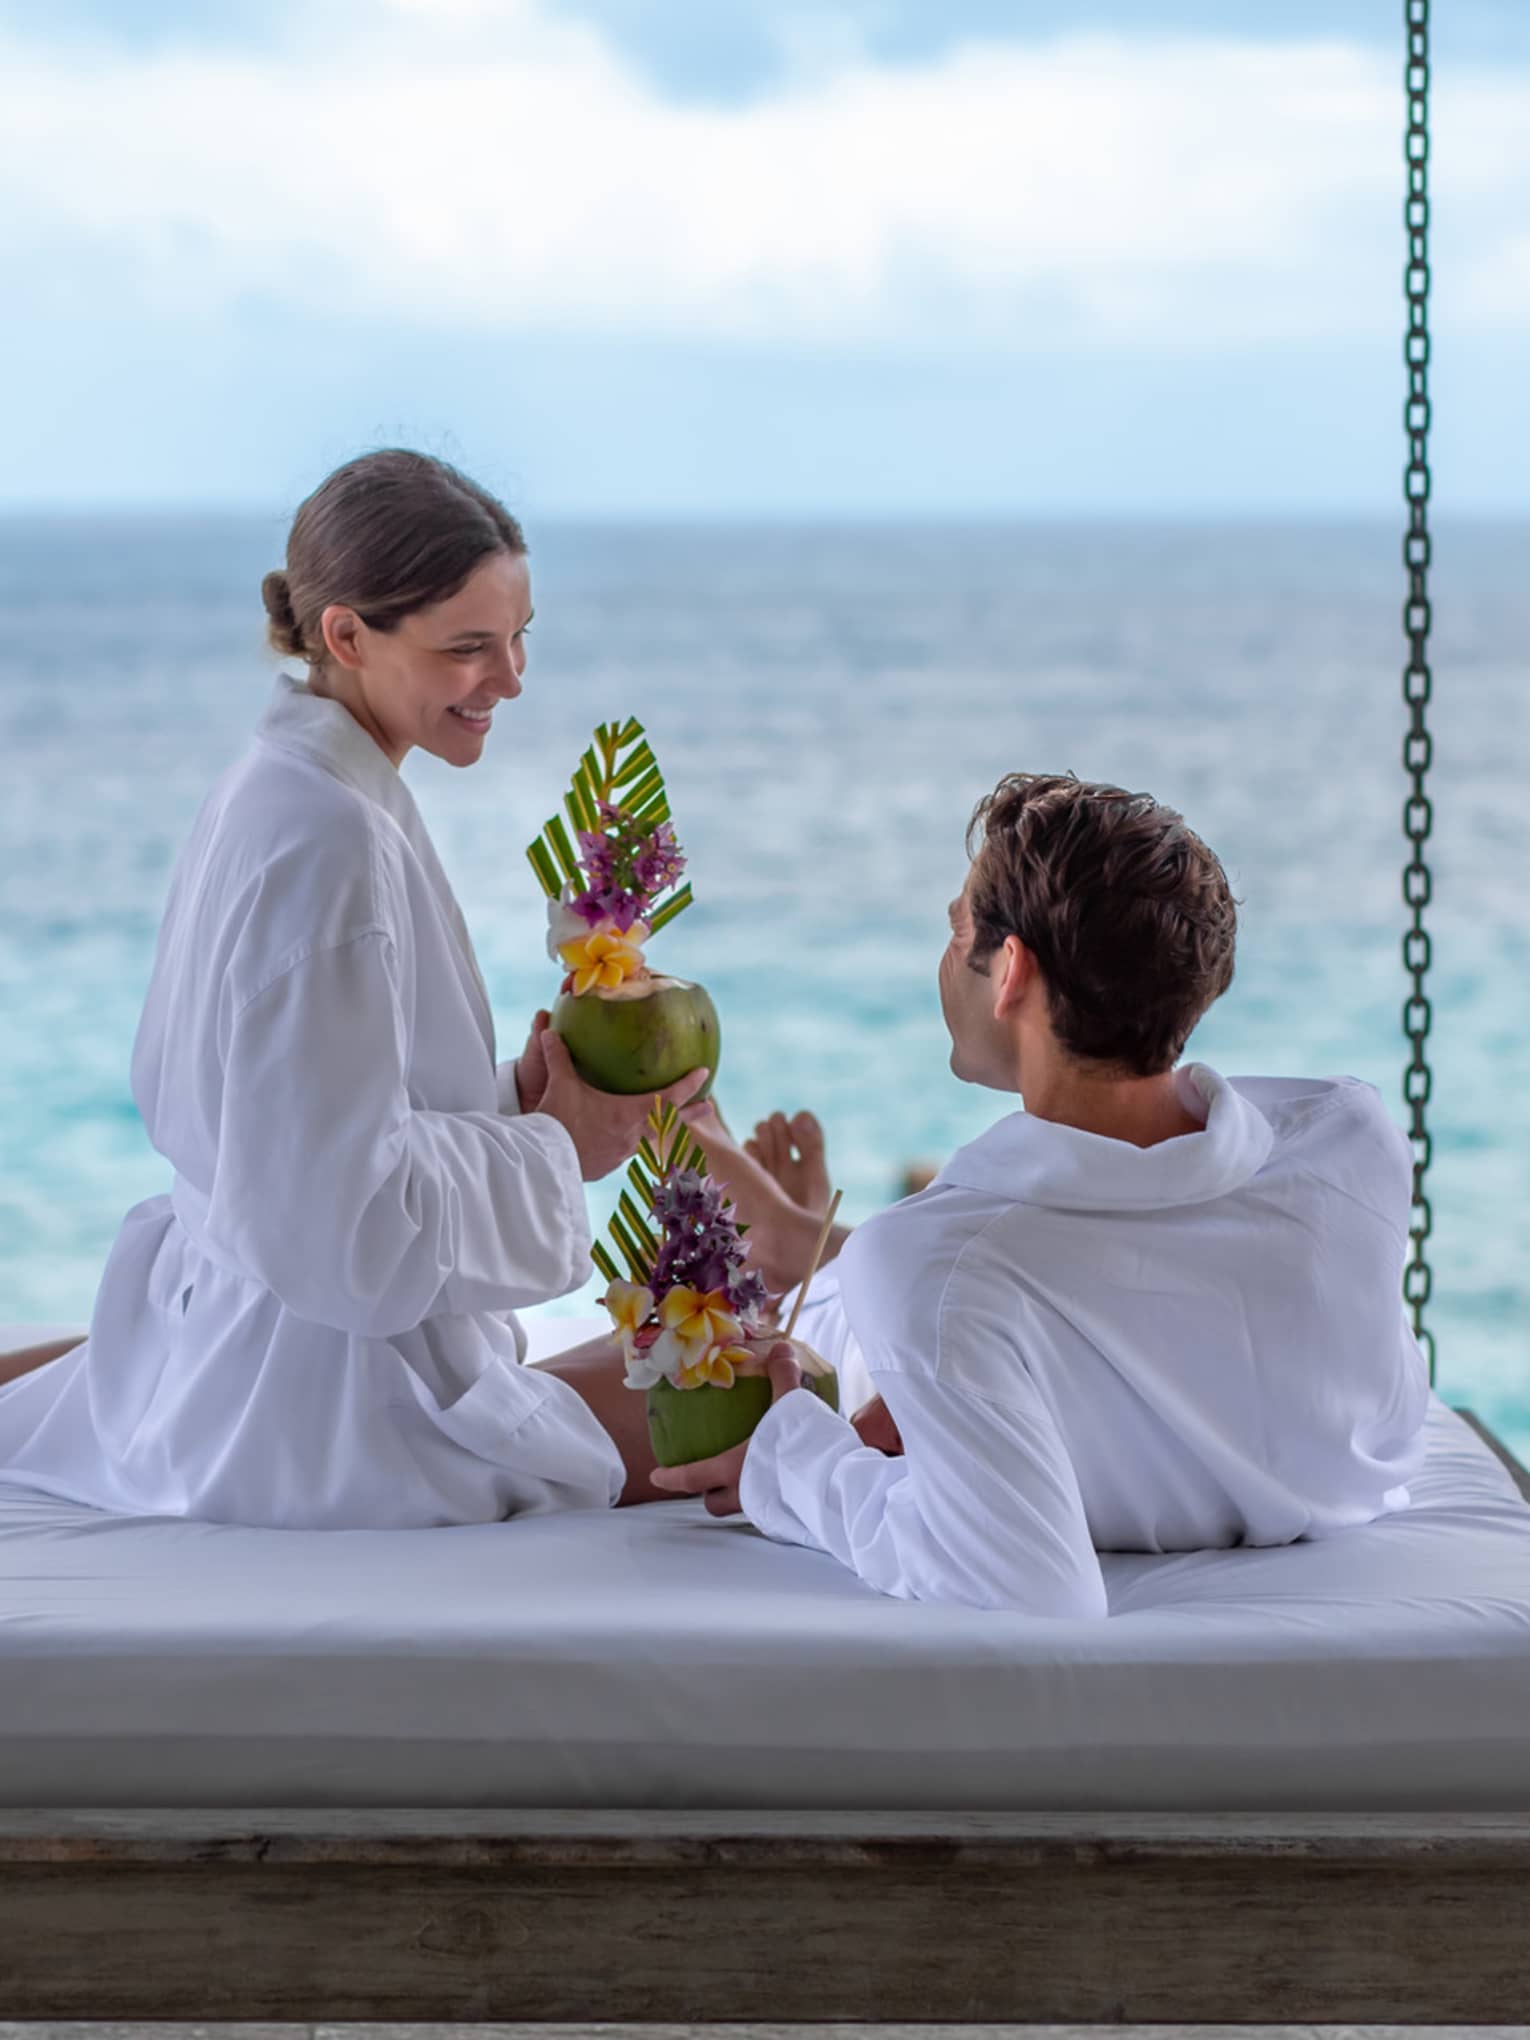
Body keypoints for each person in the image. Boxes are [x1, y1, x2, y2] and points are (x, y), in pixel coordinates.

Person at [0, 450, 709, 1527]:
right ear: (345, 635)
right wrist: (556, 1144)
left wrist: (506, 1102)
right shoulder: (328, 839)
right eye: (468, 647)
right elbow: (342, 1224)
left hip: (252, 1340)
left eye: (521, 636)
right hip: (331, 1411)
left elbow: (298, 1123)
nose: (511, 677)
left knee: (704, 1363)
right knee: (759, 1386)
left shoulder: (284, 788)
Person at [656, 772, 1432, 1618]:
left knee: (851, 1303)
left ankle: (793, 1245)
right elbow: (1159, 1264)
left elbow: (1025, 1585)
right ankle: (800, 1235)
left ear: (1011, 971)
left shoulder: (938, 1270)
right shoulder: (1345, 1136)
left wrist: (793, 1460)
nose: (948, 958)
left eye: (957, 933)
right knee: (970, 1265)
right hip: (1009, 1308)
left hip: (940, 1312)